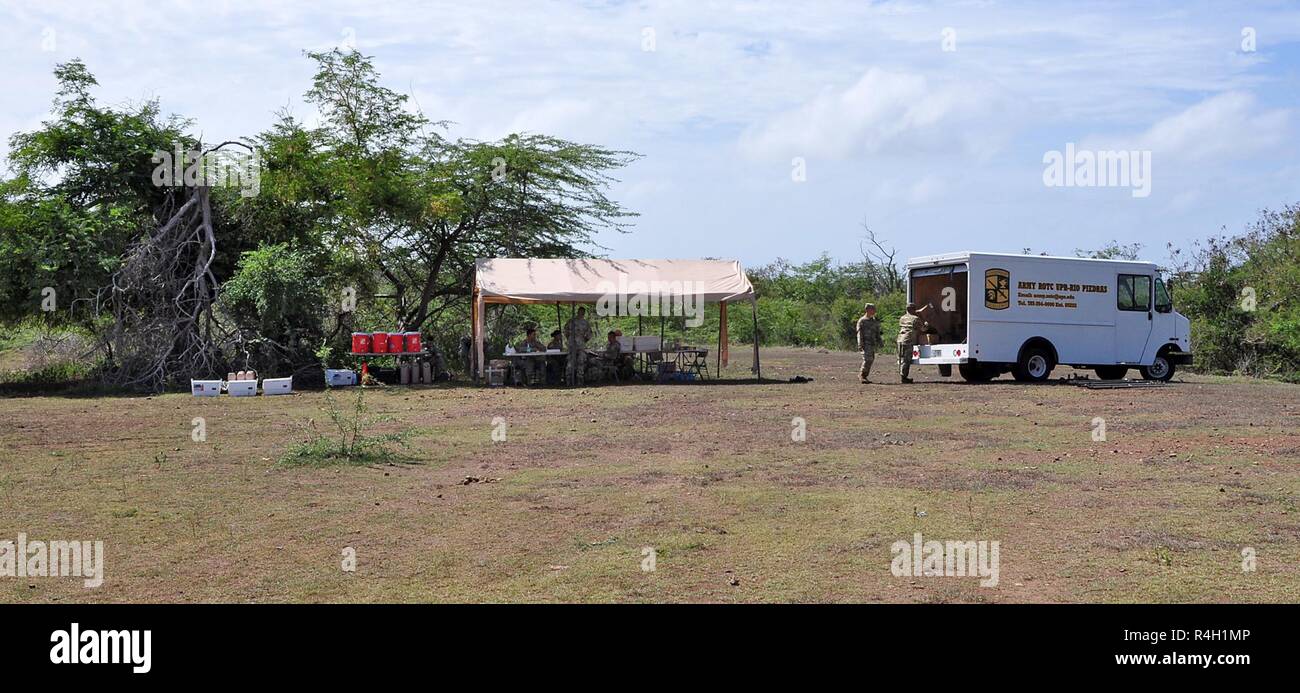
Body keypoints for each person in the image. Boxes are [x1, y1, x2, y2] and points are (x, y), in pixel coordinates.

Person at [896, 302, 932, 384]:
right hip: (908, 340)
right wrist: (926, 324)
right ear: (913, 309)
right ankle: (904, 377)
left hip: (900, 339)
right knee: (906, 359)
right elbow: (923, 329)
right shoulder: (915, 319)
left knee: (901, 358)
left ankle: (902, 375)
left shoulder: (902, 318)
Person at [563, 306, 593, 385]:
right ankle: (573, 380)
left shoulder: (578, 322)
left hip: (576, 344)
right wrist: (582, 340)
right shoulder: (574, 321)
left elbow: (565, 332)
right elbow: (589, 335)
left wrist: (571, 339)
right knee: (573, 362)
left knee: (578, 362)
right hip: (575, 344)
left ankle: (574, 380)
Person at [856, 303, 883, 384]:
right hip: (865, 343)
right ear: (867, 310)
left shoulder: (874, 321)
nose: (874, 311)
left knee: (871, 360)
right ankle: (862, 375)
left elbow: (877, 333)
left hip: (872, 343)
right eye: (872, 309)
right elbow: (859, 333)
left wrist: (880, 341)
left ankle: (864, 375)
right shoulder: (862, 321)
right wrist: (860, 344)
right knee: (867, 359)